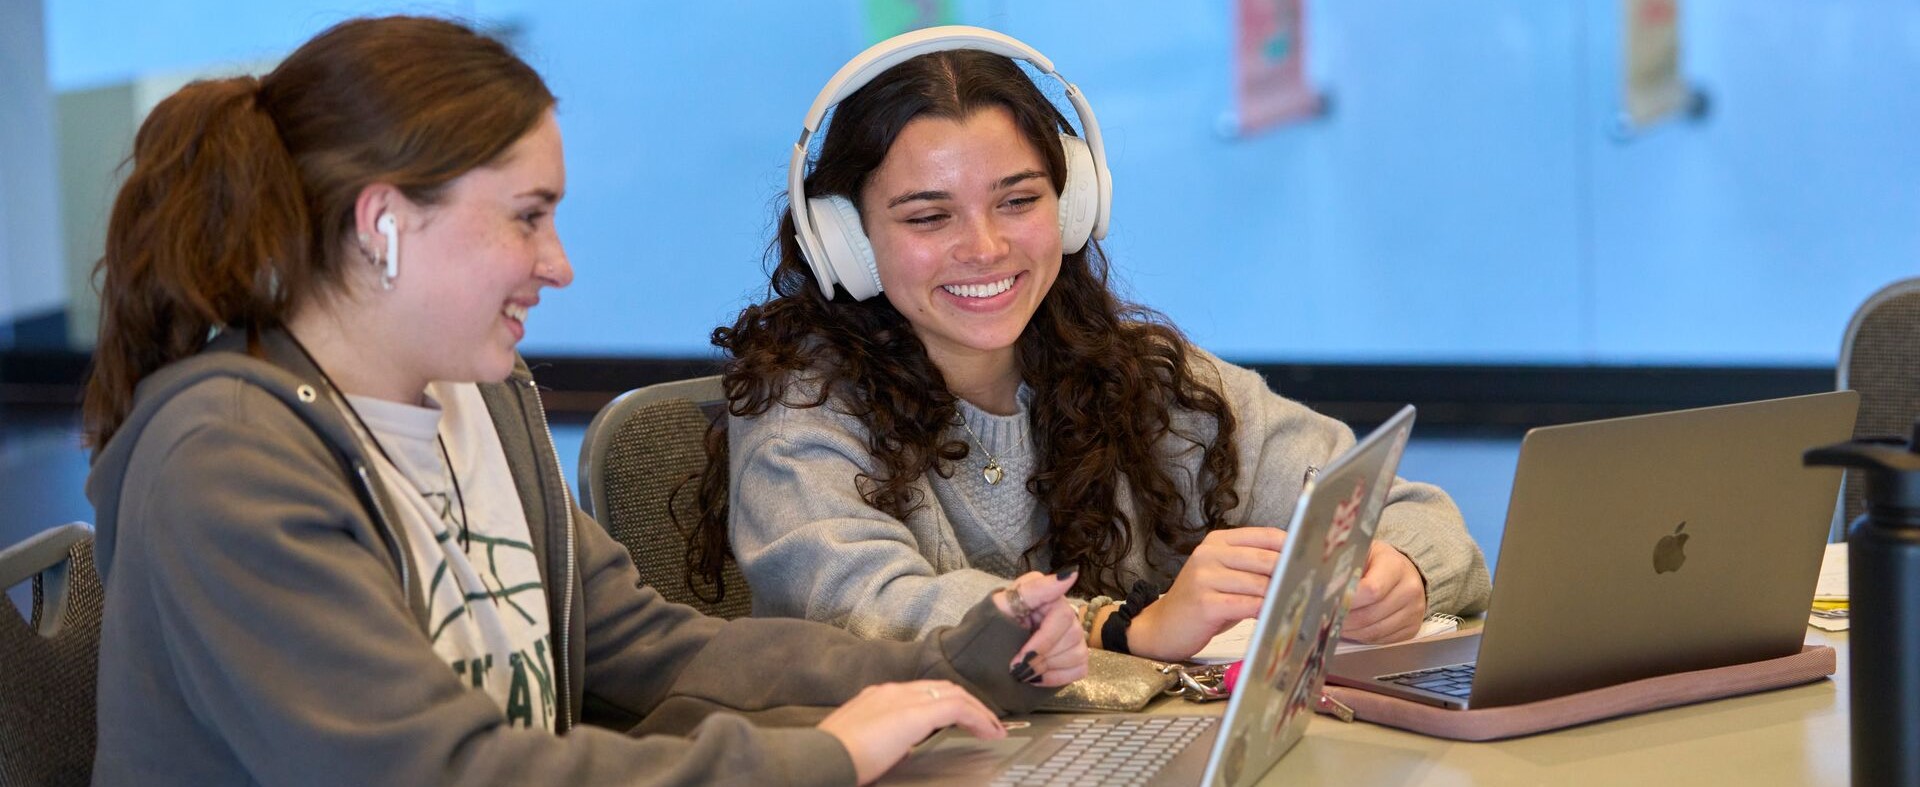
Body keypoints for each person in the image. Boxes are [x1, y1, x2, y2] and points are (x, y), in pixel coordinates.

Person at [81, 17, 1085, 787]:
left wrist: (947, 662)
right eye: (527, 217)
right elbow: (440, 770)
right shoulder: (228, 456)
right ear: (383, 221)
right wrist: (817, 757)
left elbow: (649, 648)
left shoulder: (483, 404)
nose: (556, 265)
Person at [695, 27, 1492, 663]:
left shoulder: (1135, 374)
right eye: (927, 216)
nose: (985, 246)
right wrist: (1126, 627)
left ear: (1074, 208)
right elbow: (864, 607)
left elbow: (1400, 507)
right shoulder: (801, 408)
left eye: (1018, 199)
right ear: (848, 241)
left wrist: (1401, 571)